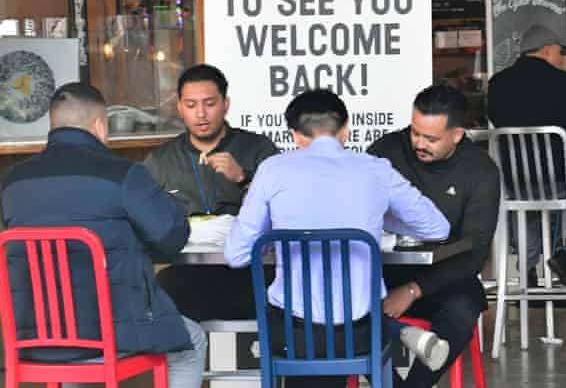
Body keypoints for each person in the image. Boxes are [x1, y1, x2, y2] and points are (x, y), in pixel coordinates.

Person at [224, 89, 452, 388]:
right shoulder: (375, 169)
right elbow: (437, 228)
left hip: (294, 338)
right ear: (345, 130)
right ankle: (400, 332)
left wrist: (272, 233)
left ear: (295, 136)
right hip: (360, 336)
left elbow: (236, 255)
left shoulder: (271, 170)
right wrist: (375, 216)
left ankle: (398, 332)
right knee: (373, 320)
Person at [0, 83, 206, 388]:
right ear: (100, 126)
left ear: (52, 126)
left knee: (74, 345)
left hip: (32, 336)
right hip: (109, 335)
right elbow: (170, 237)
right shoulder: (122, 174)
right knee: (192, 341)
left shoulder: (13, 183)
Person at [367, 85, 499, 388]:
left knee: (462, 310)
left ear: (457, 134)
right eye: (415, 133)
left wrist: (413, 290)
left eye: (431, 139)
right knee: (342, 307)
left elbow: (475, 254)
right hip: (383, 273)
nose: (419, 143)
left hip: (445, 278)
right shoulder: (386, 152)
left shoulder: (480, 171)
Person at [145, 64, 280, 321]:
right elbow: (146, 219)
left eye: (209, 104)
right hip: (189, 273)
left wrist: (243, 178)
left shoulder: (258, 148)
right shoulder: (161, 160)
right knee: (161, 291)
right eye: (191, 105)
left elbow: (283, 210)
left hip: (251, 270)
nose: (201, 114)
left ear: (225, 104)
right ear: (179, 107)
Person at [486, 24, 566, 286]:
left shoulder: (497, 84)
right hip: (563, 181)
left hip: (515, 183)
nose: (562, 57)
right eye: (560, 52)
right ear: (546, 51)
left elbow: (494, 117)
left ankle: (527, 271)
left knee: (529, 198)